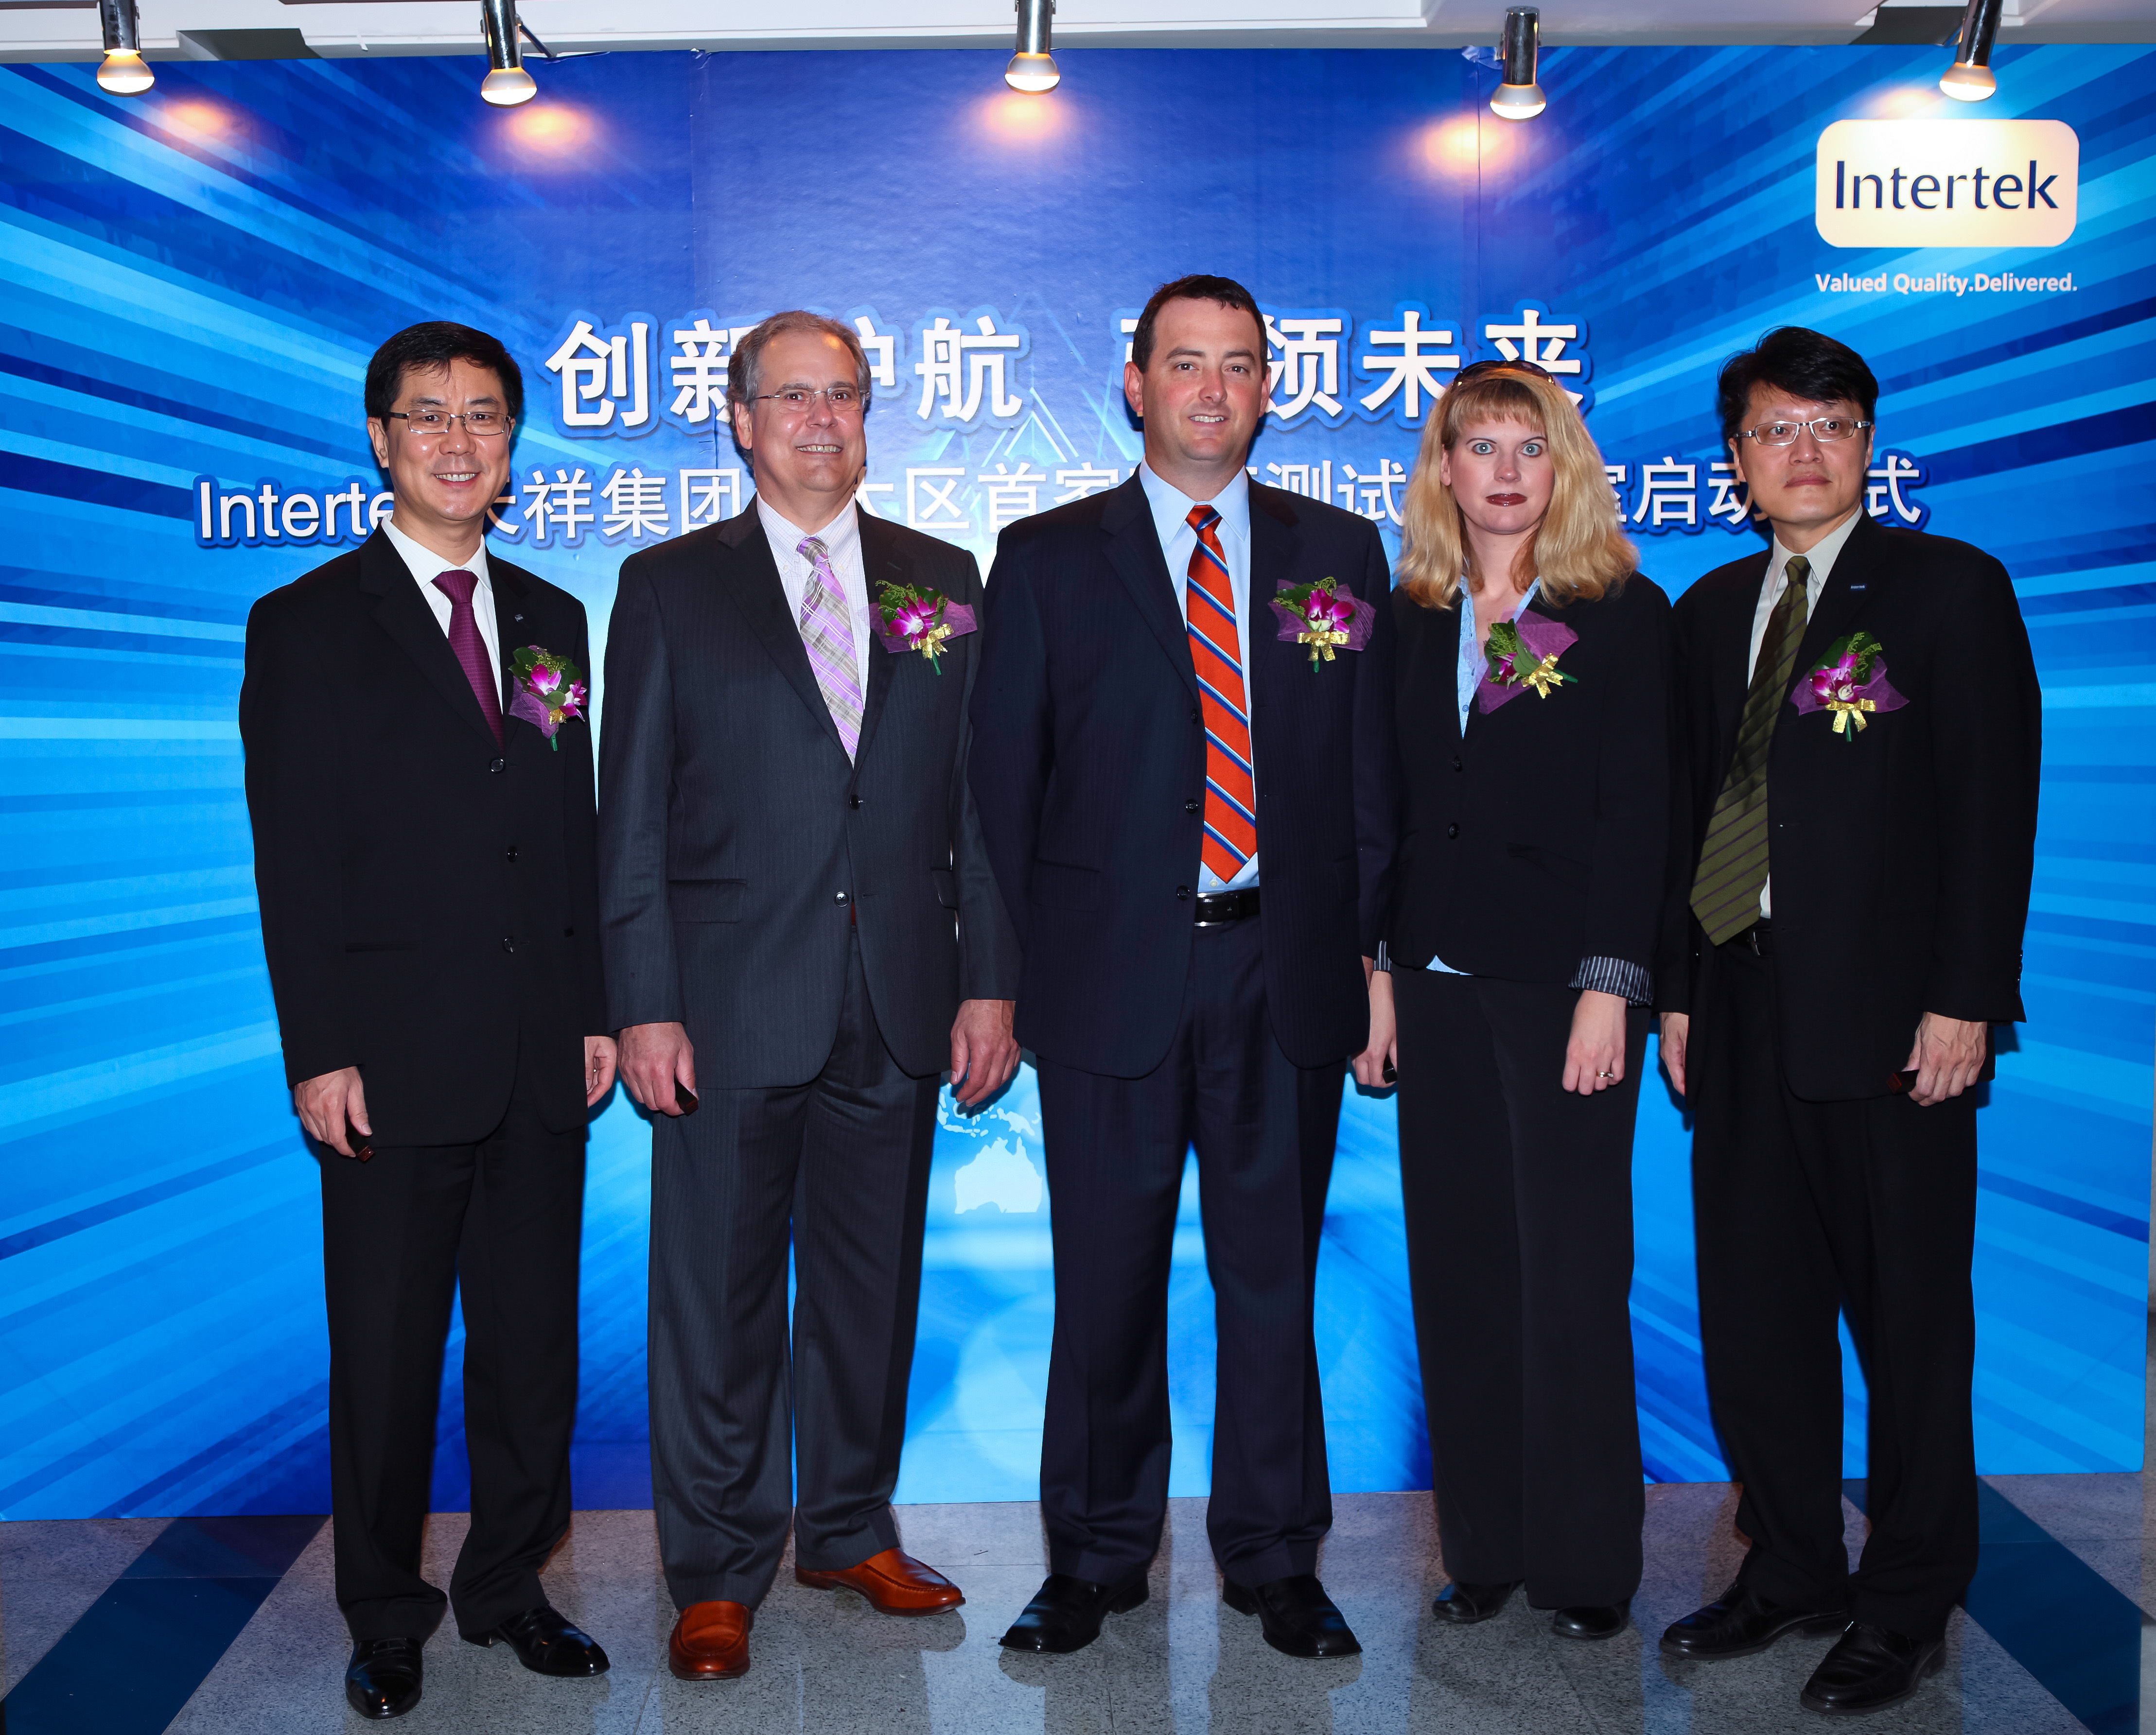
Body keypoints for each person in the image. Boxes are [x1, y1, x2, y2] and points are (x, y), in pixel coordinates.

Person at [969, 274, 1400, 1661]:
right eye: (1185, 363)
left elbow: (1369, 779)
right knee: (1105, 1281)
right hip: (1108, 977)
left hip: (1287, 969)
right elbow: (1002, 791)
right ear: (1136, 382)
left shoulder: (1340, 550)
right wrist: (1000, 979)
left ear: (1269, 386)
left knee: (1272, 1282)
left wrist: (1372, 956)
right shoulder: (1047, 556)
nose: (1212, 388)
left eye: (1239, 364)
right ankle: (1095, 1555)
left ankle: (1278, 1558)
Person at [599, 311, 1021, 1685]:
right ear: (741, 421)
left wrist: (989, 982)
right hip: (725, 1005)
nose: (821, 419)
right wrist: (644, 1000)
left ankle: (846, 1528)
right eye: (792, 396)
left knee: (867, 1290)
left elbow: (975, 806)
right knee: (716, 1302)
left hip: (897, 997)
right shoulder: (669, 585)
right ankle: (717, 1571)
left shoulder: (940, 576)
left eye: (843, 394)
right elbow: (631, 818)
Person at [1655, 327, 2040, 1716]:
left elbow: (1991, 807)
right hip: (1738, 1009)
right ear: (1738, 460)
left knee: (1910, 1325)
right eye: (1774, 430)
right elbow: (1687, 816)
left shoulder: (1946, 590)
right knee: (1757, 1315)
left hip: (1892, 1026)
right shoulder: (1710, 610)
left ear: (1867, 443)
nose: (1802, 451)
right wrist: (1679, 994)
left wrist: (1965, 1000)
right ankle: (1792, 1568)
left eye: (1828, 425)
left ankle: (1908, 1597)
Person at [240, 322, 615, 1721]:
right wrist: (319, 1049)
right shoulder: (306, 624)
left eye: (485, 417)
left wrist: (594, 1010)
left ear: (513, 445)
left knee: (532, 1350)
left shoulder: (551, 617)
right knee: (389, 1358)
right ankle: (385, 1614)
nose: (460, 442)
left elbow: (568, 836)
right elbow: (294, 857)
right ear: (380, 439)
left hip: (539, 1050)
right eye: (429, 417)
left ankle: (509, 1587)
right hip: (388, 1060)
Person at [1355, 360, 1667, 1642]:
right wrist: (1377, 972)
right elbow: (1384, 808)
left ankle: (1586, 1561)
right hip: (1431, 984)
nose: (1502, 470)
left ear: (1563, 469)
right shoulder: (1411, 615)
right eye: (1478, 445)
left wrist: (1611, 986)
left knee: (1572, 1279)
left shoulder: (1615, 612)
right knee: (1461, 1272)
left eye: (1527, 448)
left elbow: (1638, 811)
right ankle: (1481, 1546)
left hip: (1559, 990)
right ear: (1443, 469)